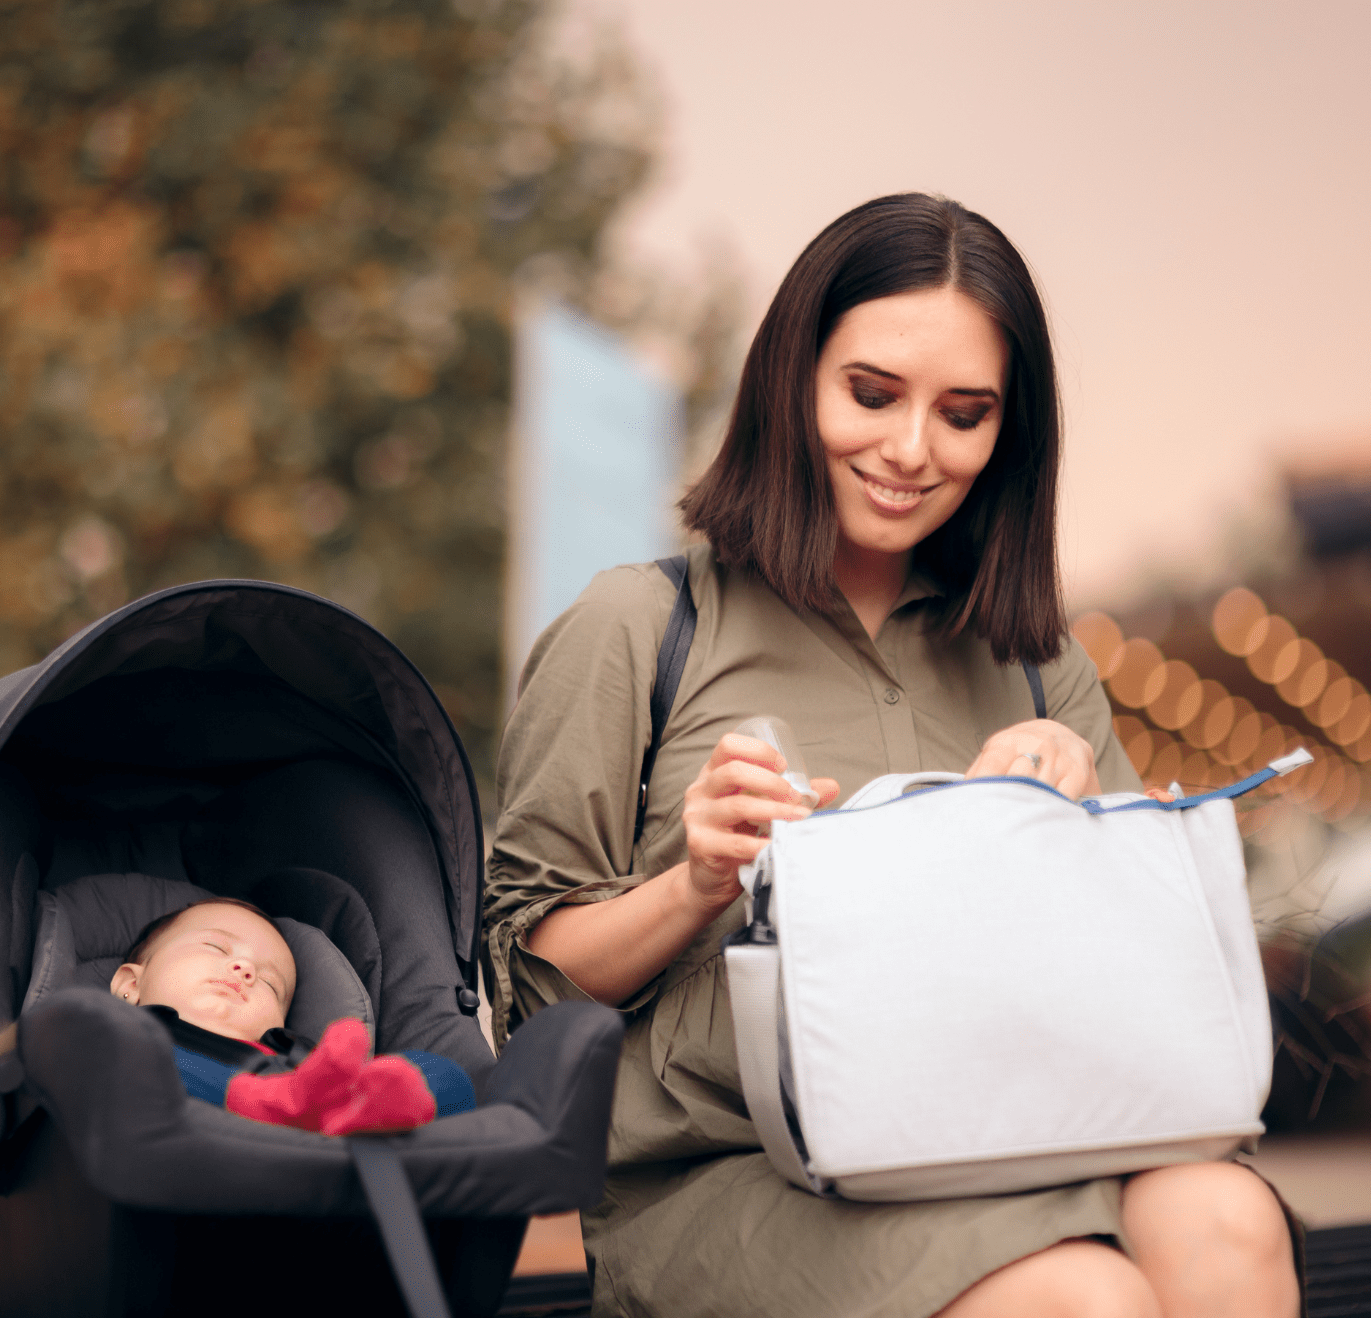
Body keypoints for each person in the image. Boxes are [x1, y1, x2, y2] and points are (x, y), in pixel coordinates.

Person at [485, 194, 1300, 1318]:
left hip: (1013, 1141)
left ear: (1007, 433)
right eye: (869, 394)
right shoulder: (638, 626)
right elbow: (526, 988)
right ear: (790, 379)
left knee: (1229, 1220)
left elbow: (1139, 977)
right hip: (731, 1178)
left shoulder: (1030, 659)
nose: (910, 450)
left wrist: (1074, 816)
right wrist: (693, 880)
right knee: (1082, 1299)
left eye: (963, 414)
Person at [110, 897, 473, 1134]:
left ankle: (360, 1112)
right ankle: (278, 1106)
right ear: (130, 983)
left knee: (440, 1072)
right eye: (215, 946)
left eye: (271, 983)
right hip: (195, 1133)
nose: (245, 968)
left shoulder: (300, 1056)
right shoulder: (126, 1032)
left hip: (315, 1128)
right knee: (120, 1052)